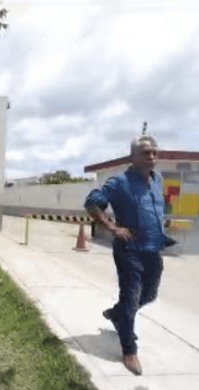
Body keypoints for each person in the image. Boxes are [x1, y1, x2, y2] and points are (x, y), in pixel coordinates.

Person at [83, 135, 175, 375]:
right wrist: (114, 228)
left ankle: (117, 314)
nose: (152, 157)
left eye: (155, 152)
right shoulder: (120, 182)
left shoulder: (158, 180)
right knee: (131, 298)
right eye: (146, 153)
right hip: (129, 250)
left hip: (153, 248)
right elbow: (93, 203)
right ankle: (129, 350)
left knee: (150, 295)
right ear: (132, 157)